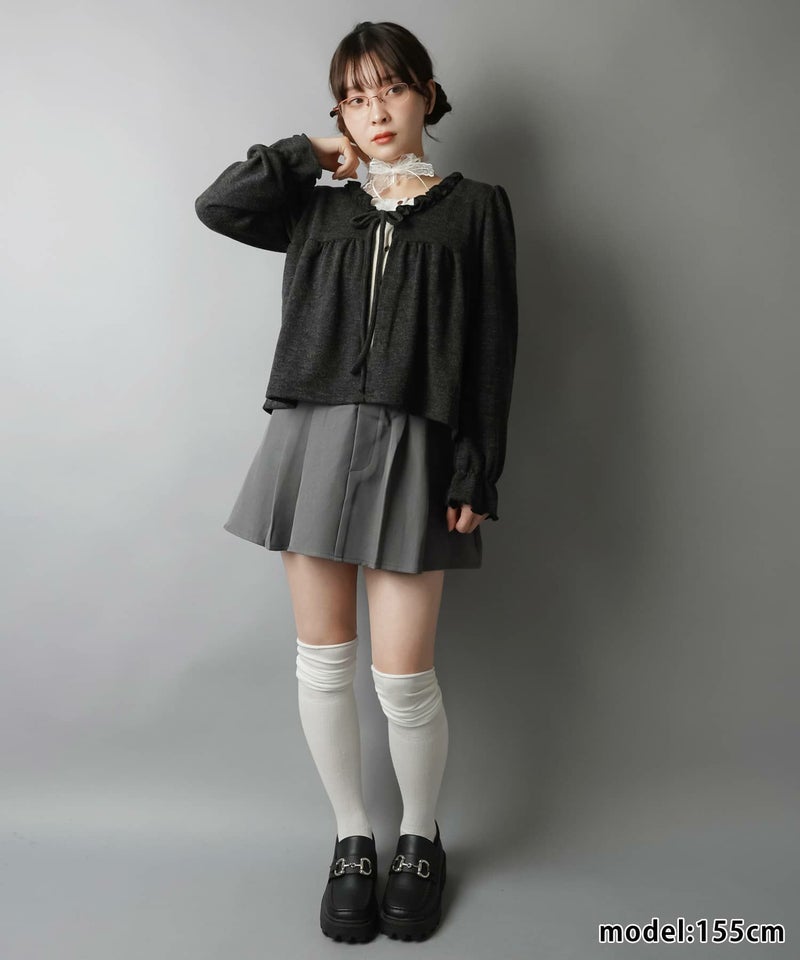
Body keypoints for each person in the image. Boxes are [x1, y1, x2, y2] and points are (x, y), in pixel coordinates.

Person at [194, 20, 518, 943]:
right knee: (323, 662)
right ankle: (352, 838)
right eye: (354, 96)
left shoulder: (475, 209)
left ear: (427, 95)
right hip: (312, 443)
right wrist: (309, 152)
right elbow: (219, 204)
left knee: (403, 678)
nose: (375, 111)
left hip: (417, 447)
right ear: (339, 110)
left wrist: (476, 465)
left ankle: (419, 834)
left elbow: (494, 348)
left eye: (392, 89)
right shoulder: (316, 206)